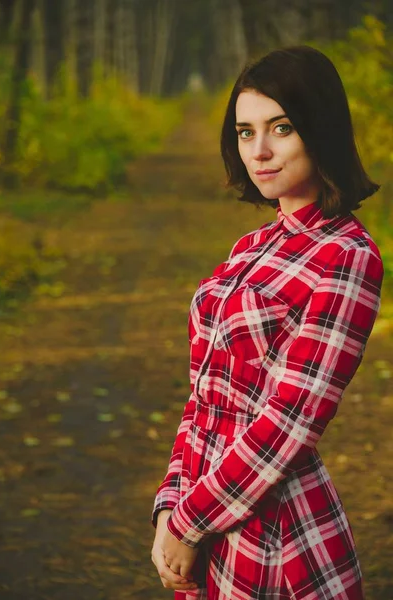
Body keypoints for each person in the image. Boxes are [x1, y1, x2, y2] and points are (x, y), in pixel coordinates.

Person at [150, 45, 384, 599]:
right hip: (207, 510)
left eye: (280, 128)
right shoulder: (251, 246)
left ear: (319, 129)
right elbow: (204, 397)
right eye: (244, 131)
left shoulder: (346, 256)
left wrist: (188, 521)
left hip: (276, 534)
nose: (259, 151)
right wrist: (169, 502)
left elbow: (289, 424)